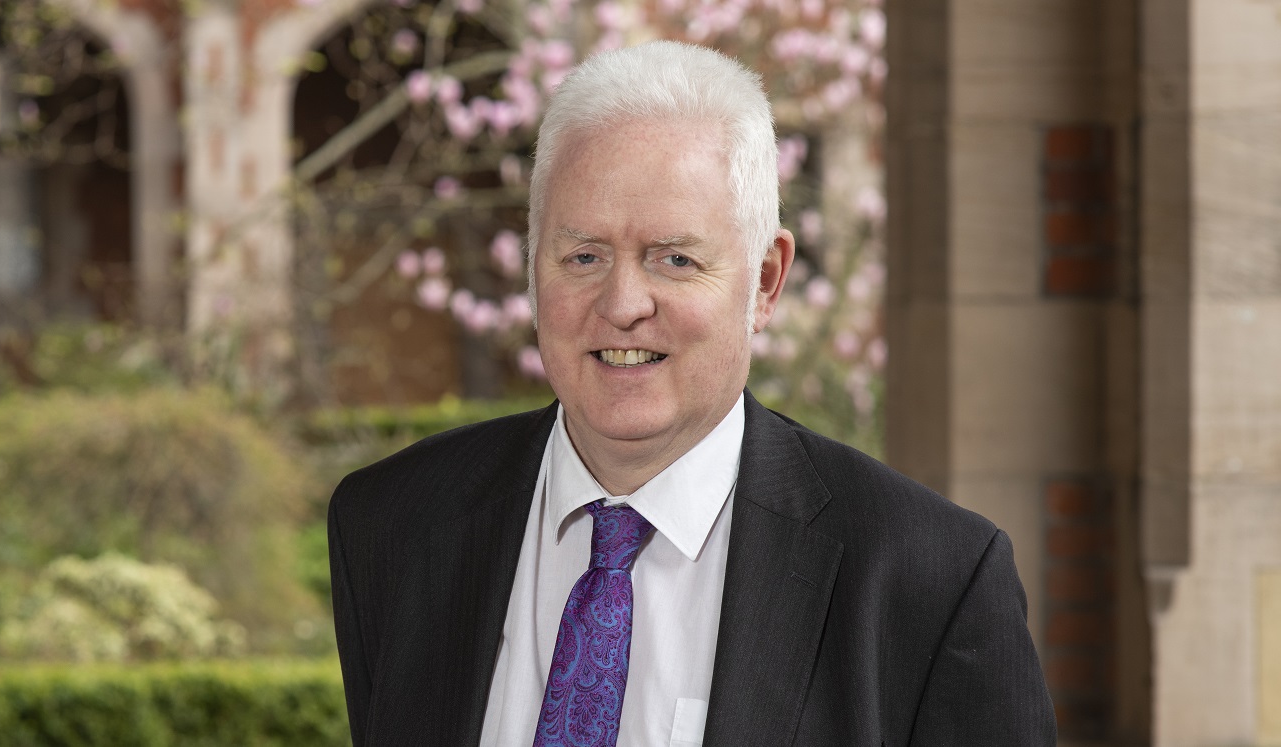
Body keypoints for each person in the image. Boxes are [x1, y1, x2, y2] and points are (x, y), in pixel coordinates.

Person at [329, 41, 1055, 746]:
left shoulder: (930, 579)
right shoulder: (390, 525)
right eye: (583, 255)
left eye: (674, 259)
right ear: (530, 266)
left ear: (765, 281)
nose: (622, 304)